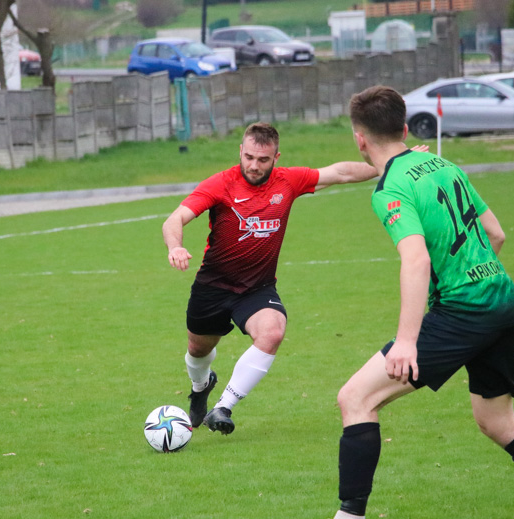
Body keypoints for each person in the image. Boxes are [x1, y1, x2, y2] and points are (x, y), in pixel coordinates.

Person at [283, 86, 514, 519]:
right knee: (498, 422)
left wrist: (408, 342)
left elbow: (413, 261)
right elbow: (496, 232)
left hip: (465, 312)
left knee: (355, 398)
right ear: (406, 128)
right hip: (501, 298)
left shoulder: (392, 187)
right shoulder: (444, 164)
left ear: (359, 139)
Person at [162, 122, 395, 435]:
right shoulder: (221, 184)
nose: (254, 166)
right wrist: (175, 246)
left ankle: (224, 406)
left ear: (276, 157)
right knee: (198, 349)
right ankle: (201, 386)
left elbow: (339, 173)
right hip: (213, 286)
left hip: (257, 289)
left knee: (272, 332)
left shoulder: (288, 181)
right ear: (240, 152)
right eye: (248, 157)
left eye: (263, 160)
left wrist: (388, 163)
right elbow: (175, 218)